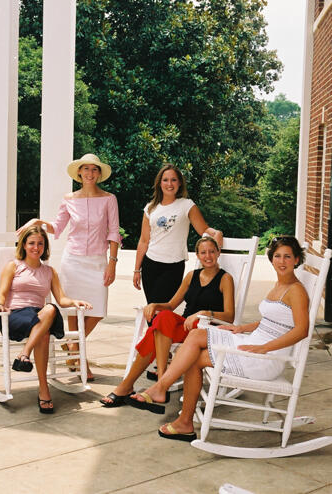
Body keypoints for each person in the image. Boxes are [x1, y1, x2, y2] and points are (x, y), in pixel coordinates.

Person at [125, 236, 309, 440]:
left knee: (195, 344)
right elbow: (271, 322)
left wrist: (265, 348)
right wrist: (241, 328)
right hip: (255, 343)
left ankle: (162, 390)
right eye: (277, 256)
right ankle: (182, 419)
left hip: (266, 358)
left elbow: (302, 330)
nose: (281, 261)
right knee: (195, 343)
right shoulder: (279, 285)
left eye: (287, 257)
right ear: (271, 259)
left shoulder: (296, 291)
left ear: (297, 260)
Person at [17, 153, 120, 381]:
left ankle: (73, 349)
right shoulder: (69, 199)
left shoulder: (109, 199)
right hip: (72, 261)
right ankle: (77, 356)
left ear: (99, 174)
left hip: (97, 262)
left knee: (98, 311)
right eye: (86, 169)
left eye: (95, 170)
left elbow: (114, 232)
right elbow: (57, 227)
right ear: (79, 173)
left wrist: (112, 263)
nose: (90, 174)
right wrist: (38, 222)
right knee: (73, 312)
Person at [100, 236, 234, 408]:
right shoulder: (191, 276)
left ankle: (128, 386)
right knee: (162, 317)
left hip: (203, 329)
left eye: (211, 252)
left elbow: (230, 316)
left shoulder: (225, 279)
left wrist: (204, 312)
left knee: (154, 331)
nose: (208, 256)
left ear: (218, 253)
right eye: (203, 252)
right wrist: (155, 304)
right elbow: (171, 305)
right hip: (185, 325)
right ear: (198, 255)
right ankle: (161, 382)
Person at [0, 225, 92, 413]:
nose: (35, 247)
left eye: (40, 243)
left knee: (49, 310)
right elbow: (2, 293)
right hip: (15, 315)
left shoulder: (49, 271)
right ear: (23, 245)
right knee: (44, 332)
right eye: (31, 243)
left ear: (45, 247)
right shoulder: (14, 266)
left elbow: (61, 300)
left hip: (40, 315)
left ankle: (25, 355)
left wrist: (75, 301)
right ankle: (43, 389)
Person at [133, 164, 223, 310]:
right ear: (159, 183)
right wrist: (137, 270)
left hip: (173, 266)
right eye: (165, 180)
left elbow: (204, 229)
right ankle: (154, 333)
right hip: (150, 265)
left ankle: (156, 333)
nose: (169, 184)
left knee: (160, 310)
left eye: (174, 180)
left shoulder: (187, 205)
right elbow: (144, 241)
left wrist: (217, 233)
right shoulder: (150, 208)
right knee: (152, 310)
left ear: (180, 183)